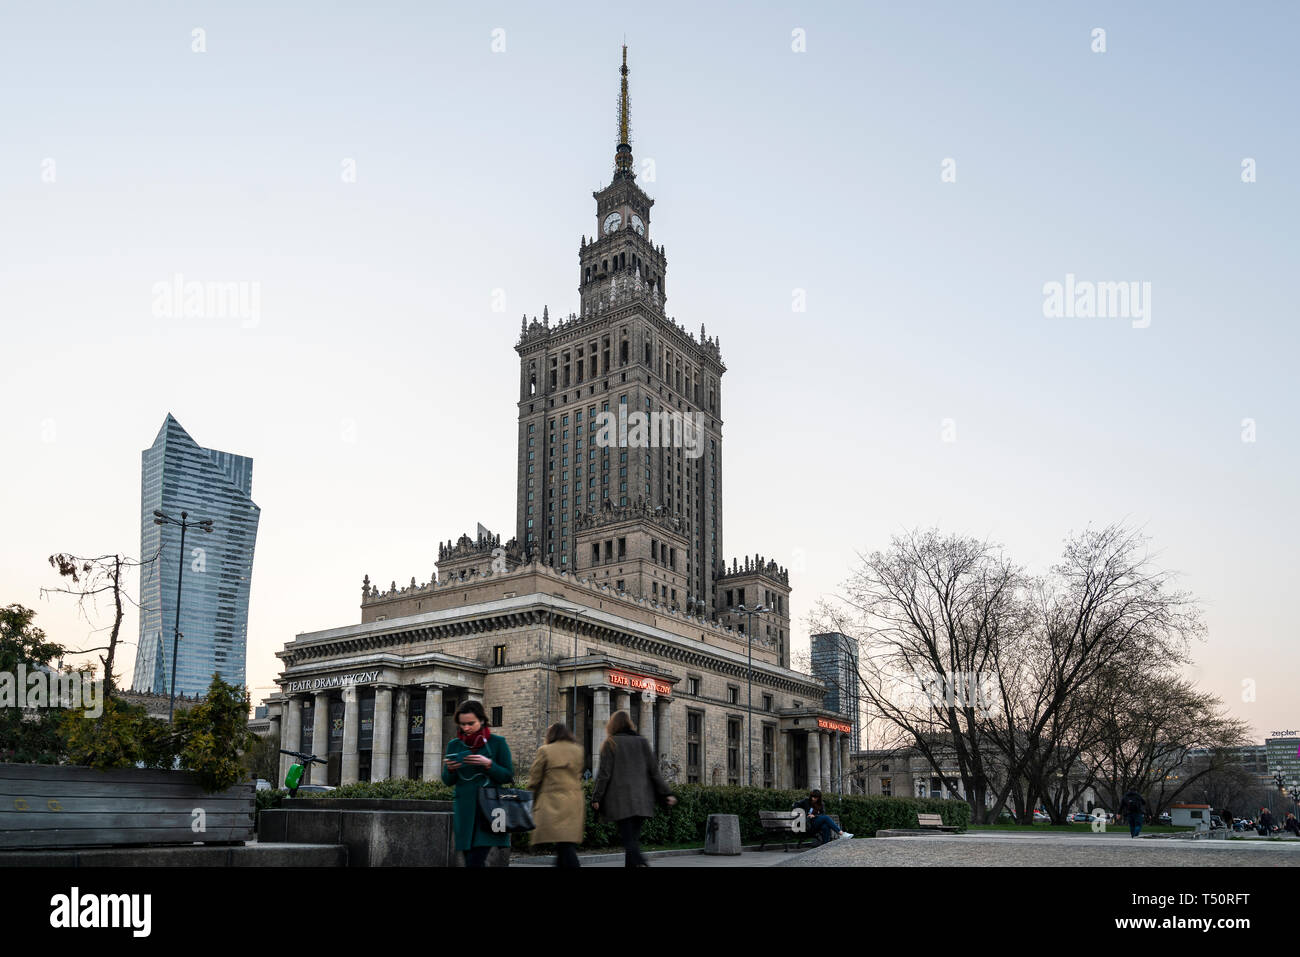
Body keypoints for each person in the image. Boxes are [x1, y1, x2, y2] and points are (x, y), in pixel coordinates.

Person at [591, 710, 676, 867]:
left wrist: (596, 798)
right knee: (632, 841)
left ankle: (642, 863)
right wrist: (667, 793)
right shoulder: (642, 742)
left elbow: (604, 775)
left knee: (629, 841)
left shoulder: (611, 743)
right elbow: (654, 771)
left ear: (612, 725)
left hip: (620, 803)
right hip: (642, 802)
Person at [441, 700, 513, 867]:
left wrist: (488, 765)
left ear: (481, 720)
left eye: (470, 723)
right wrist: (451, 769)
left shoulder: (497, 743)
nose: (466, 728)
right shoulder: (454, 745)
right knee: (470, 860)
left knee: (475, 860)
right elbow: (447, 780)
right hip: (464, 812)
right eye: (462, 724)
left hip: (488, 811)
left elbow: (508, 775)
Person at [527, 722, 586, 867]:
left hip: (553, 802)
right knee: (565, 844)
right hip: (574, 801)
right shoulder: (578, 750)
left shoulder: (545, 750)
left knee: (564, 846)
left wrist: (530, 798)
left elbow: (535, 778)